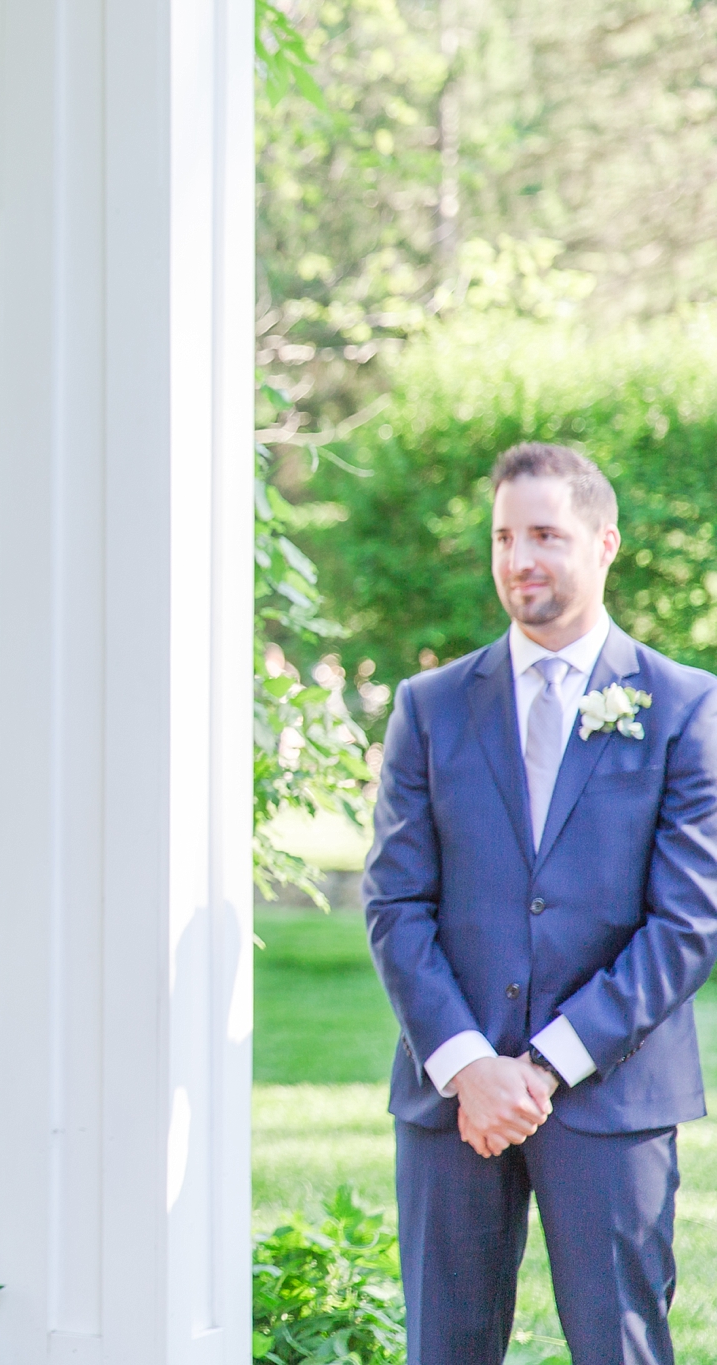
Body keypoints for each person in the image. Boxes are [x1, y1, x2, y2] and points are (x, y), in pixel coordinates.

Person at [363, 442, 717, 1365]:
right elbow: (396, 902)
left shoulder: (684, 708)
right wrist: (470, 1066)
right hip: (453, 1101)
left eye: (546, 535)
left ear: (604, 543)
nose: (520, 558)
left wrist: (548, 1066)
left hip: (612, 1094)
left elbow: (686, 925)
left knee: (620, 1348)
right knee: (445, 1348)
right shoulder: (429, 706)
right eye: (504, 536)